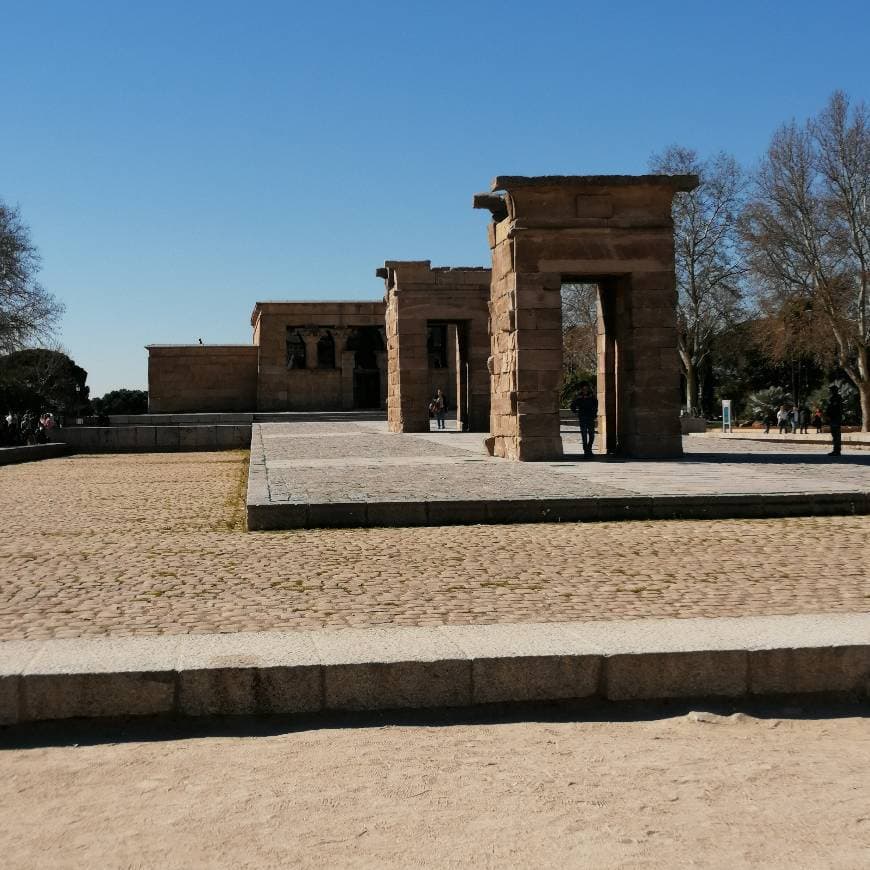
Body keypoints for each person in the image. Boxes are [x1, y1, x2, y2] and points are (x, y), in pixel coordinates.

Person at [570, 381, 598, 458]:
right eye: (583, 388)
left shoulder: (592, 396)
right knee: (584, 435)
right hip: (582, 417)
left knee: (592, 435)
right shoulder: (578, 396)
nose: (585, 389)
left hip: (590, 417)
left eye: (586, 387)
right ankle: (586, 451)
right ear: (582, 388)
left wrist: (594, 413)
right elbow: (573, 406)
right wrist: (576, 412)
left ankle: (589, 448)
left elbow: (596, 404)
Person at [827, 385, 843, 456]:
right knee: (835, 434)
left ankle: (837, 450)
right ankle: (836, 450)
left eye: (831, 390)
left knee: (836, 434)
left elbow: (834, 409)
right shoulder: (834, 398)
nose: (830, 391)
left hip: (835, 418)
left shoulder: (836, 398)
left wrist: (829, 413)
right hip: (834, 418)